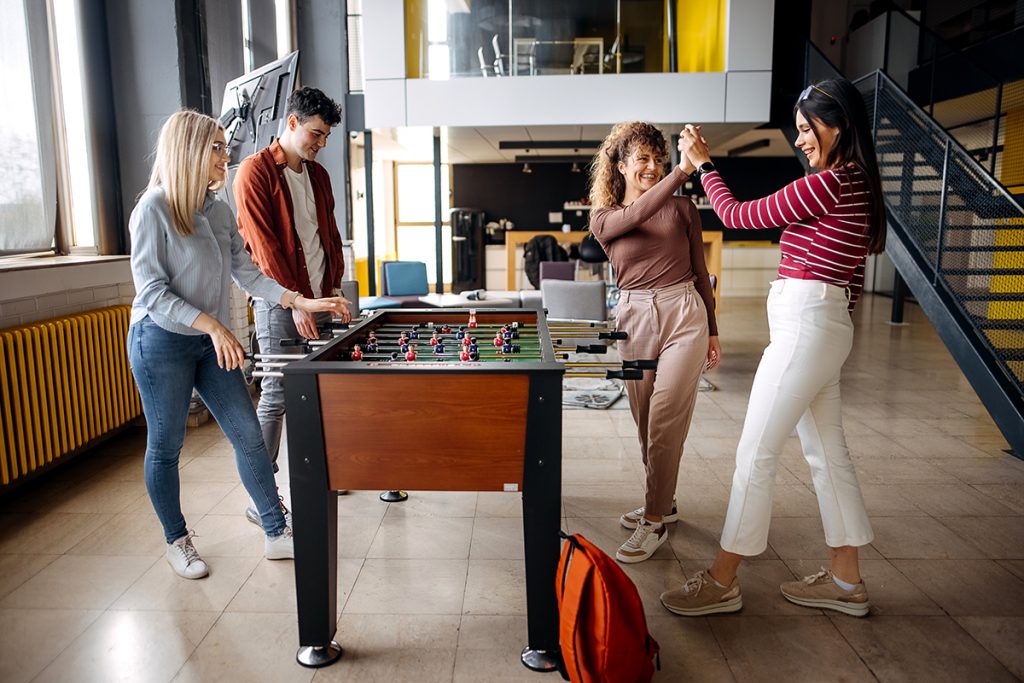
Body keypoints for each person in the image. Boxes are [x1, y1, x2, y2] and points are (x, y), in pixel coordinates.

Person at [661, 77, 886, 616]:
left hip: (807, 327)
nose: (802, 139)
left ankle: (722, 580)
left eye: (810, 129)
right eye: (800, 130)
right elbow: (850, 280)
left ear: (843, 126)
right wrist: (830, 327)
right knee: (828, 455)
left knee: (755, 452)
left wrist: (703, 164)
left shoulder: (832, 183)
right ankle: (846, 581)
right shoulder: (855, 185)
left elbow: (739, 216)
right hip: (820, 326)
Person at [128, 110, 349, 579]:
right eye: (218, 148)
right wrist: (212, 325)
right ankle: (177, 540)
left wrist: (299, 300)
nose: (226, 157)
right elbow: (151, 291)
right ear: (190, 150)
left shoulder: (217, 210)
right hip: (161, 340)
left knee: (249, 436)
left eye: (226, 147)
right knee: (166, 445)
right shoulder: (153, 209)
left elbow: (246, 271)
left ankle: (275, 530)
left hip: (211, 342)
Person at [588, 122, 721, 563]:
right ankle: (664, 500)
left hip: (684, 313)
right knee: (646, 423)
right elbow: (636, 215)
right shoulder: (604, 217)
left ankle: (653, 520)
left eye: (657, 158)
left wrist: (714, 330)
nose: (651, 166)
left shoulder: (683, 209)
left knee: (665, 417)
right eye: (641, 159)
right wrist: (680, 172)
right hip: (633, 317)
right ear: (621, 165)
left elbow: (701, 273)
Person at [233, 87, 350, 524]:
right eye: (316, 134)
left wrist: (333, 291)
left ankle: (321, 474)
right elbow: (263, 251)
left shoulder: (317, 176)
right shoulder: (254, 172)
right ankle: (260, 496)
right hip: (280, 303)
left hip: (322, 297)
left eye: (326, 137)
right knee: (278, 396)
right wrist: (296, 302)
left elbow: (327, 238)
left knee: (324, 389)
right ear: (293, 122)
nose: (320, 144)